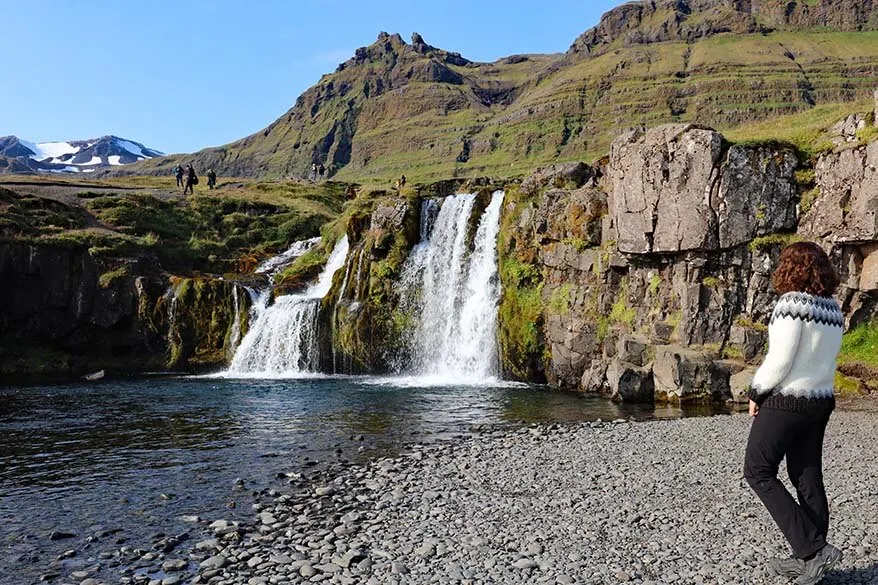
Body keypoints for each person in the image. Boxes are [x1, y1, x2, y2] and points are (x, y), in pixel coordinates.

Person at [743, 242, 844, 585]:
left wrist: (756, 391)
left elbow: (781, 360)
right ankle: (810, 560)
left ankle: (814, 550)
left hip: (788, 400)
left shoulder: (791, 304)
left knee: (757, 471)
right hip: (821, 400)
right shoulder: (833, 309)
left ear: (790, 267)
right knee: (807, 475)